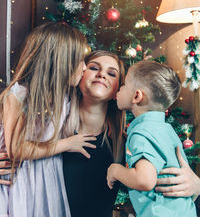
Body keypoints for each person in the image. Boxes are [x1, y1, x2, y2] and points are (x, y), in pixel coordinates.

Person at [0, 21, 97, 217]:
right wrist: (67, 144)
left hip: (45, 180)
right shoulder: (19, 95)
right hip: (18, 182)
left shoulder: (65, 99)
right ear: (60, 62)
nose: (85, 68)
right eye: (80, 60)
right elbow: (16, 149)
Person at [107, 60, 197, 216]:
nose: (119, 88)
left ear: (136, 96)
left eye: (124, 84)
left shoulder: (142, 132)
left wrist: (115, 170)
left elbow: (144, 179)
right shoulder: (166, 129)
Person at [62, 50, 126, 217]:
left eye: (111, 73)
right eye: (93, 68)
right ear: (79, 75)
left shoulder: (125, 143)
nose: (102, 75)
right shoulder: (53, 132)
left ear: (117, 92)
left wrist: (194, 184)